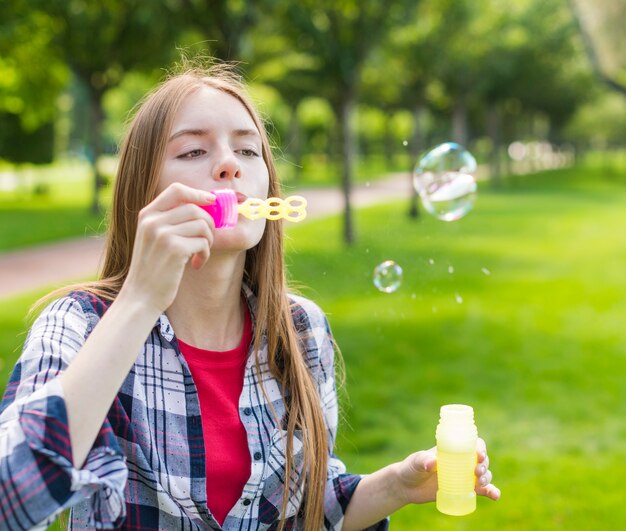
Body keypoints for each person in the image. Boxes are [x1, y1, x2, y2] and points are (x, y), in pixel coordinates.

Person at [0, 63, 500, 530]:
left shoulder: (300, 328)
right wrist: (139, 301)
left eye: (247, 150)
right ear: (142, 190)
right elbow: (10, 496)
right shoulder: (81, 324)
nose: (228, 166)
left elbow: (310, 508)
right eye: (194, 151)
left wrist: (397, 484)